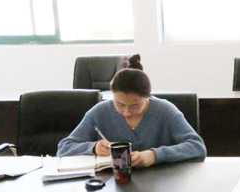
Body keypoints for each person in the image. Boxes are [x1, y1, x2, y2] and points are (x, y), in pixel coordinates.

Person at [58, 54, 206, 166]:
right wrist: (93, 148)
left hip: (159, 184)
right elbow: (64, 148)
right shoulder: (100, 112)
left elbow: (197, 146)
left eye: (135, 106)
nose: (126, 112)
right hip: (111, 185)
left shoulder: (165, 111)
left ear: (147, 97)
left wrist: (154, 155)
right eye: (120, 104)